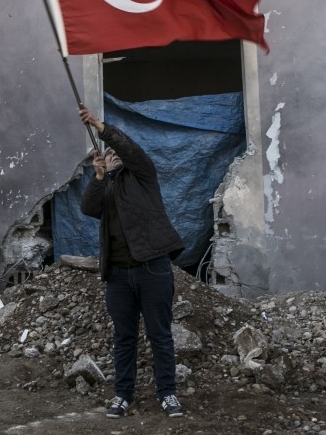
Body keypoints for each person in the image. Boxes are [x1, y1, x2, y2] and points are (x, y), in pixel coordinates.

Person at [78, 104, 186, 419]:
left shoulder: (143, 175)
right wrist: (99, 176)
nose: (115, 154)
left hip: (152, 267)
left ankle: (167, 394)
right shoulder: (107, 185)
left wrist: (99, 125)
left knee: (159, 334)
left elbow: (130, 148)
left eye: (117, 151)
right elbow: (88, 208)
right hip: (118, 275)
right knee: (124, 337)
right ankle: (123, 395)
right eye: (109, 153)